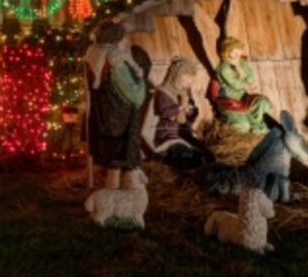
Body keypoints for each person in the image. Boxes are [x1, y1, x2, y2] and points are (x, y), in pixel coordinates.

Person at [85, 20, 147, 189]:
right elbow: (133, 93)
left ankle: (115, 192)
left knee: (112, 156)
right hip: (119, 115)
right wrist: (141, 83)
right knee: (117, 159)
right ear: (117, 39)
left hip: (103, 114)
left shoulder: (93, 53)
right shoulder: (115, 58)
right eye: (124, 37)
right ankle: (115, 194)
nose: (127, 41)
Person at [149, 56, 214, 168]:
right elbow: (164, 112)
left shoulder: (184, 93)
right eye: (188, 77)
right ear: (177, 75)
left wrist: (191, 111)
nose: (190, 81)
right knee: (186, 156)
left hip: (184, 132)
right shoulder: (163, 92)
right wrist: (179, 108)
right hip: (168, 133)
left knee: (207, 155)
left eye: (192, 78)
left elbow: (192, 114)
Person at [213, 38, 272, 134]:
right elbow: (236, 85)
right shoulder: (223, 68)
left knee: (263, 102)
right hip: (230, 101)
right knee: (243, 126)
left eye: (238, 50)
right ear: (227, 53)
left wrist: (241, 71)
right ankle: (248, 127)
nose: (237, 54)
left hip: (244, 97)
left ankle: (259, 127)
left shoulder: (242, 63)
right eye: (233, 51)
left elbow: (252, 79)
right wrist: (246, 84)